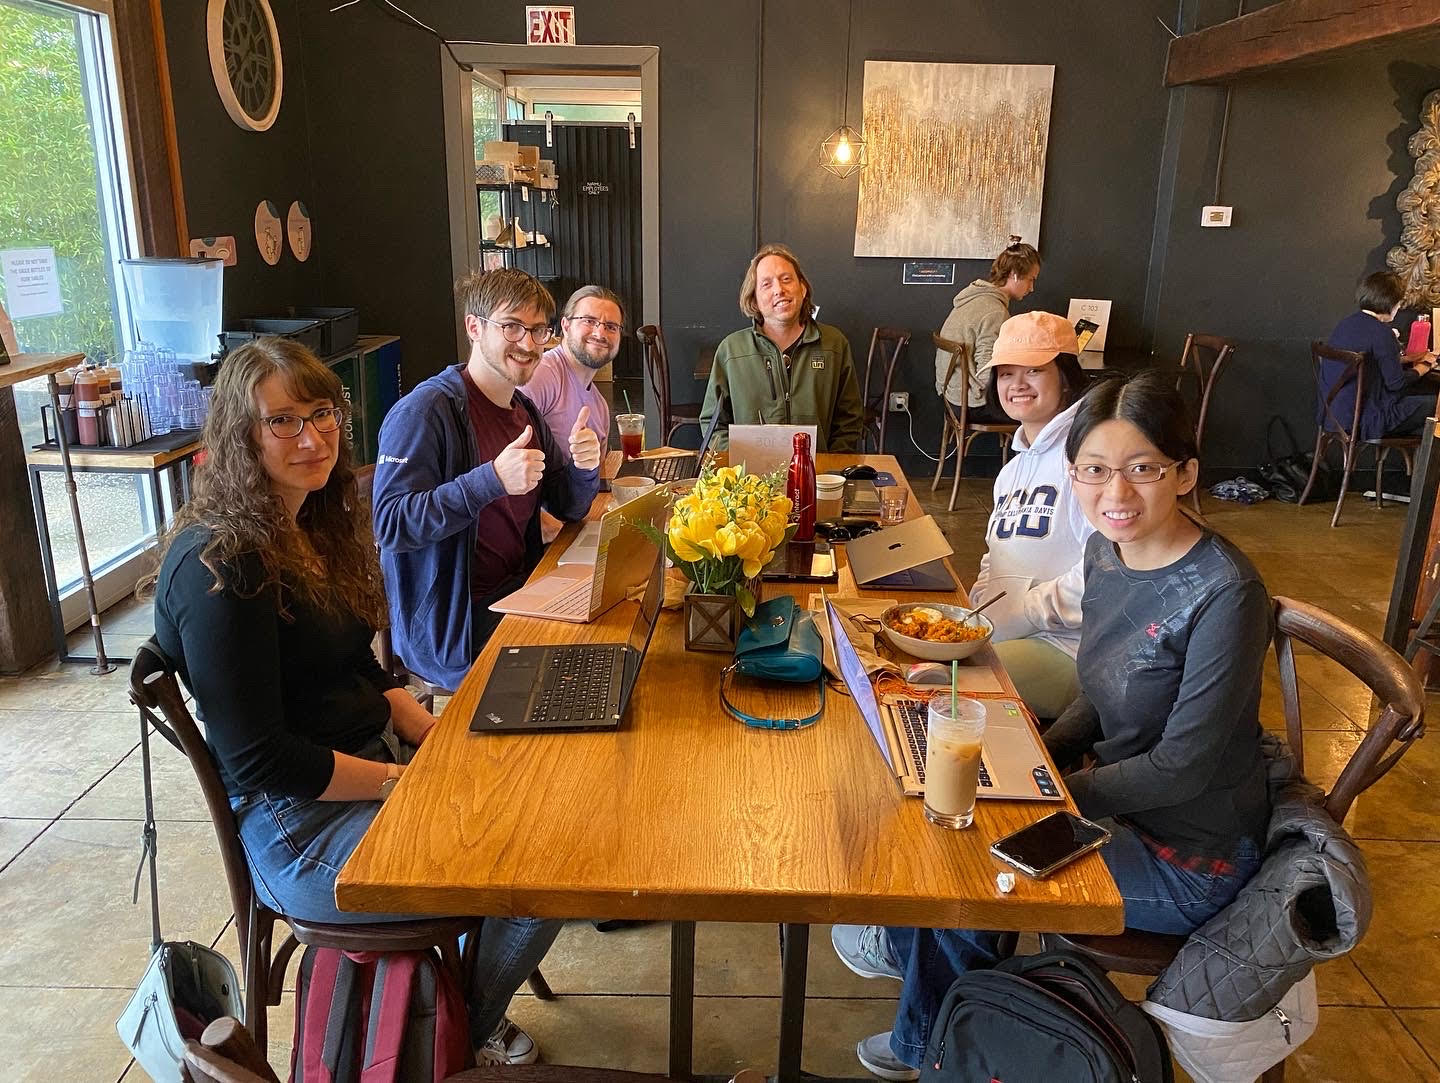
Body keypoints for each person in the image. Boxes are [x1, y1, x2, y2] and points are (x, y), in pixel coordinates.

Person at [834, 371, 1271, 1081]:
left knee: (977, 863)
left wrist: (1051, 791)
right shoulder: (1106, 551)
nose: (1115, 493)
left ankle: (927, 1045)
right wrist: (1041, 753)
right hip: (1119, 808)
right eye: (1094, 470)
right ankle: (926, 980)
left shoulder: (1226, 591)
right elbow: (1098, 690)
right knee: (948, 811)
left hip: (1191, 854)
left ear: (1186, 473)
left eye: (1142, 469)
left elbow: (1182, 768)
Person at [149, 338, 559, 1064]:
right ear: (241, 436)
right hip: (297, 825)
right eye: (282, 421)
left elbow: (356, 667)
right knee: (543, 874)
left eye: (321, 413)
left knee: (546, 801)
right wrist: (403, 782)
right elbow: (261, 760)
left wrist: (433, 736)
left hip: (365, 763)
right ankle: (455, 1039)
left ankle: (443, 1025)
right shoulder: (224, 564)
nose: (312, 437)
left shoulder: (308, 522)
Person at [373, 269, 601, 692]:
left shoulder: (523, 411)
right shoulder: (425, 411)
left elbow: (567, 506)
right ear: (474, 327)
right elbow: (391, 524)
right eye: (511, 326)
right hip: (455, 625)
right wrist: (491, 480)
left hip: (519, 588)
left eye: (538, 330)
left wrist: (586, 468)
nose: (528, 344)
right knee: (578, 673)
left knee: (611, 624)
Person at [967, 311, 1093, 720]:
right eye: (1006, 374)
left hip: (1067, 648)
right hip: (1009, 635)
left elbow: (1105, 571)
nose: (1017, 384)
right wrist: (979, 607)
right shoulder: (1012, 470)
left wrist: (1022, 612)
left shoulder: (1089, 458)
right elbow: (995, 554)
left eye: (1034, 370)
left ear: (1066, 376)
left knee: (947, 686)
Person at [699, 243, 865, 452]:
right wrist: (738, 460)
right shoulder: (731, 350)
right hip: (751, 471)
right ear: (754, 299)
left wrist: (831, 463)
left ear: (802, 288)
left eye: (786, 279)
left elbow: (849, 419)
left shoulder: (834, 344)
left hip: (818, 470)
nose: (779, 290)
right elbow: (712, 423)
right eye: (766, 284)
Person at [1322, 269, 1439, 439]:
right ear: (1391, 303)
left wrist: (1413, 357)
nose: (1399, 307)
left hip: (1333, 416)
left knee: (1423, 423)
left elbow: (1371, 362)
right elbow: (1396, 384)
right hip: (1364, 421)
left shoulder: (1346, 324)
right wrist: (1426, 365)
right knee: (1435, 405)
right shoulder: (1382, 333)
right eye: (1399, 303)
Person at [935, 239, 1041, 419]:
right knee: (1040, 408)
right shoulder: (995, 311)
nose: (1031, 288)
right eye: (1031, 279)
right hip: (971, 404)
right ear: (1014, 274)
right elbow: (987, 368)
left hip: (951, 395)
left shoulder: (973, 299)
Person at [523, 284, 622, 459]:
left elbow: (598, 474)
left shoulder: (601, 408)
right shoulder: (541, 375)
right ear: (566, 326)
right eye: (589, 321)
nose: (600, 333)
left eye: (611, 327)